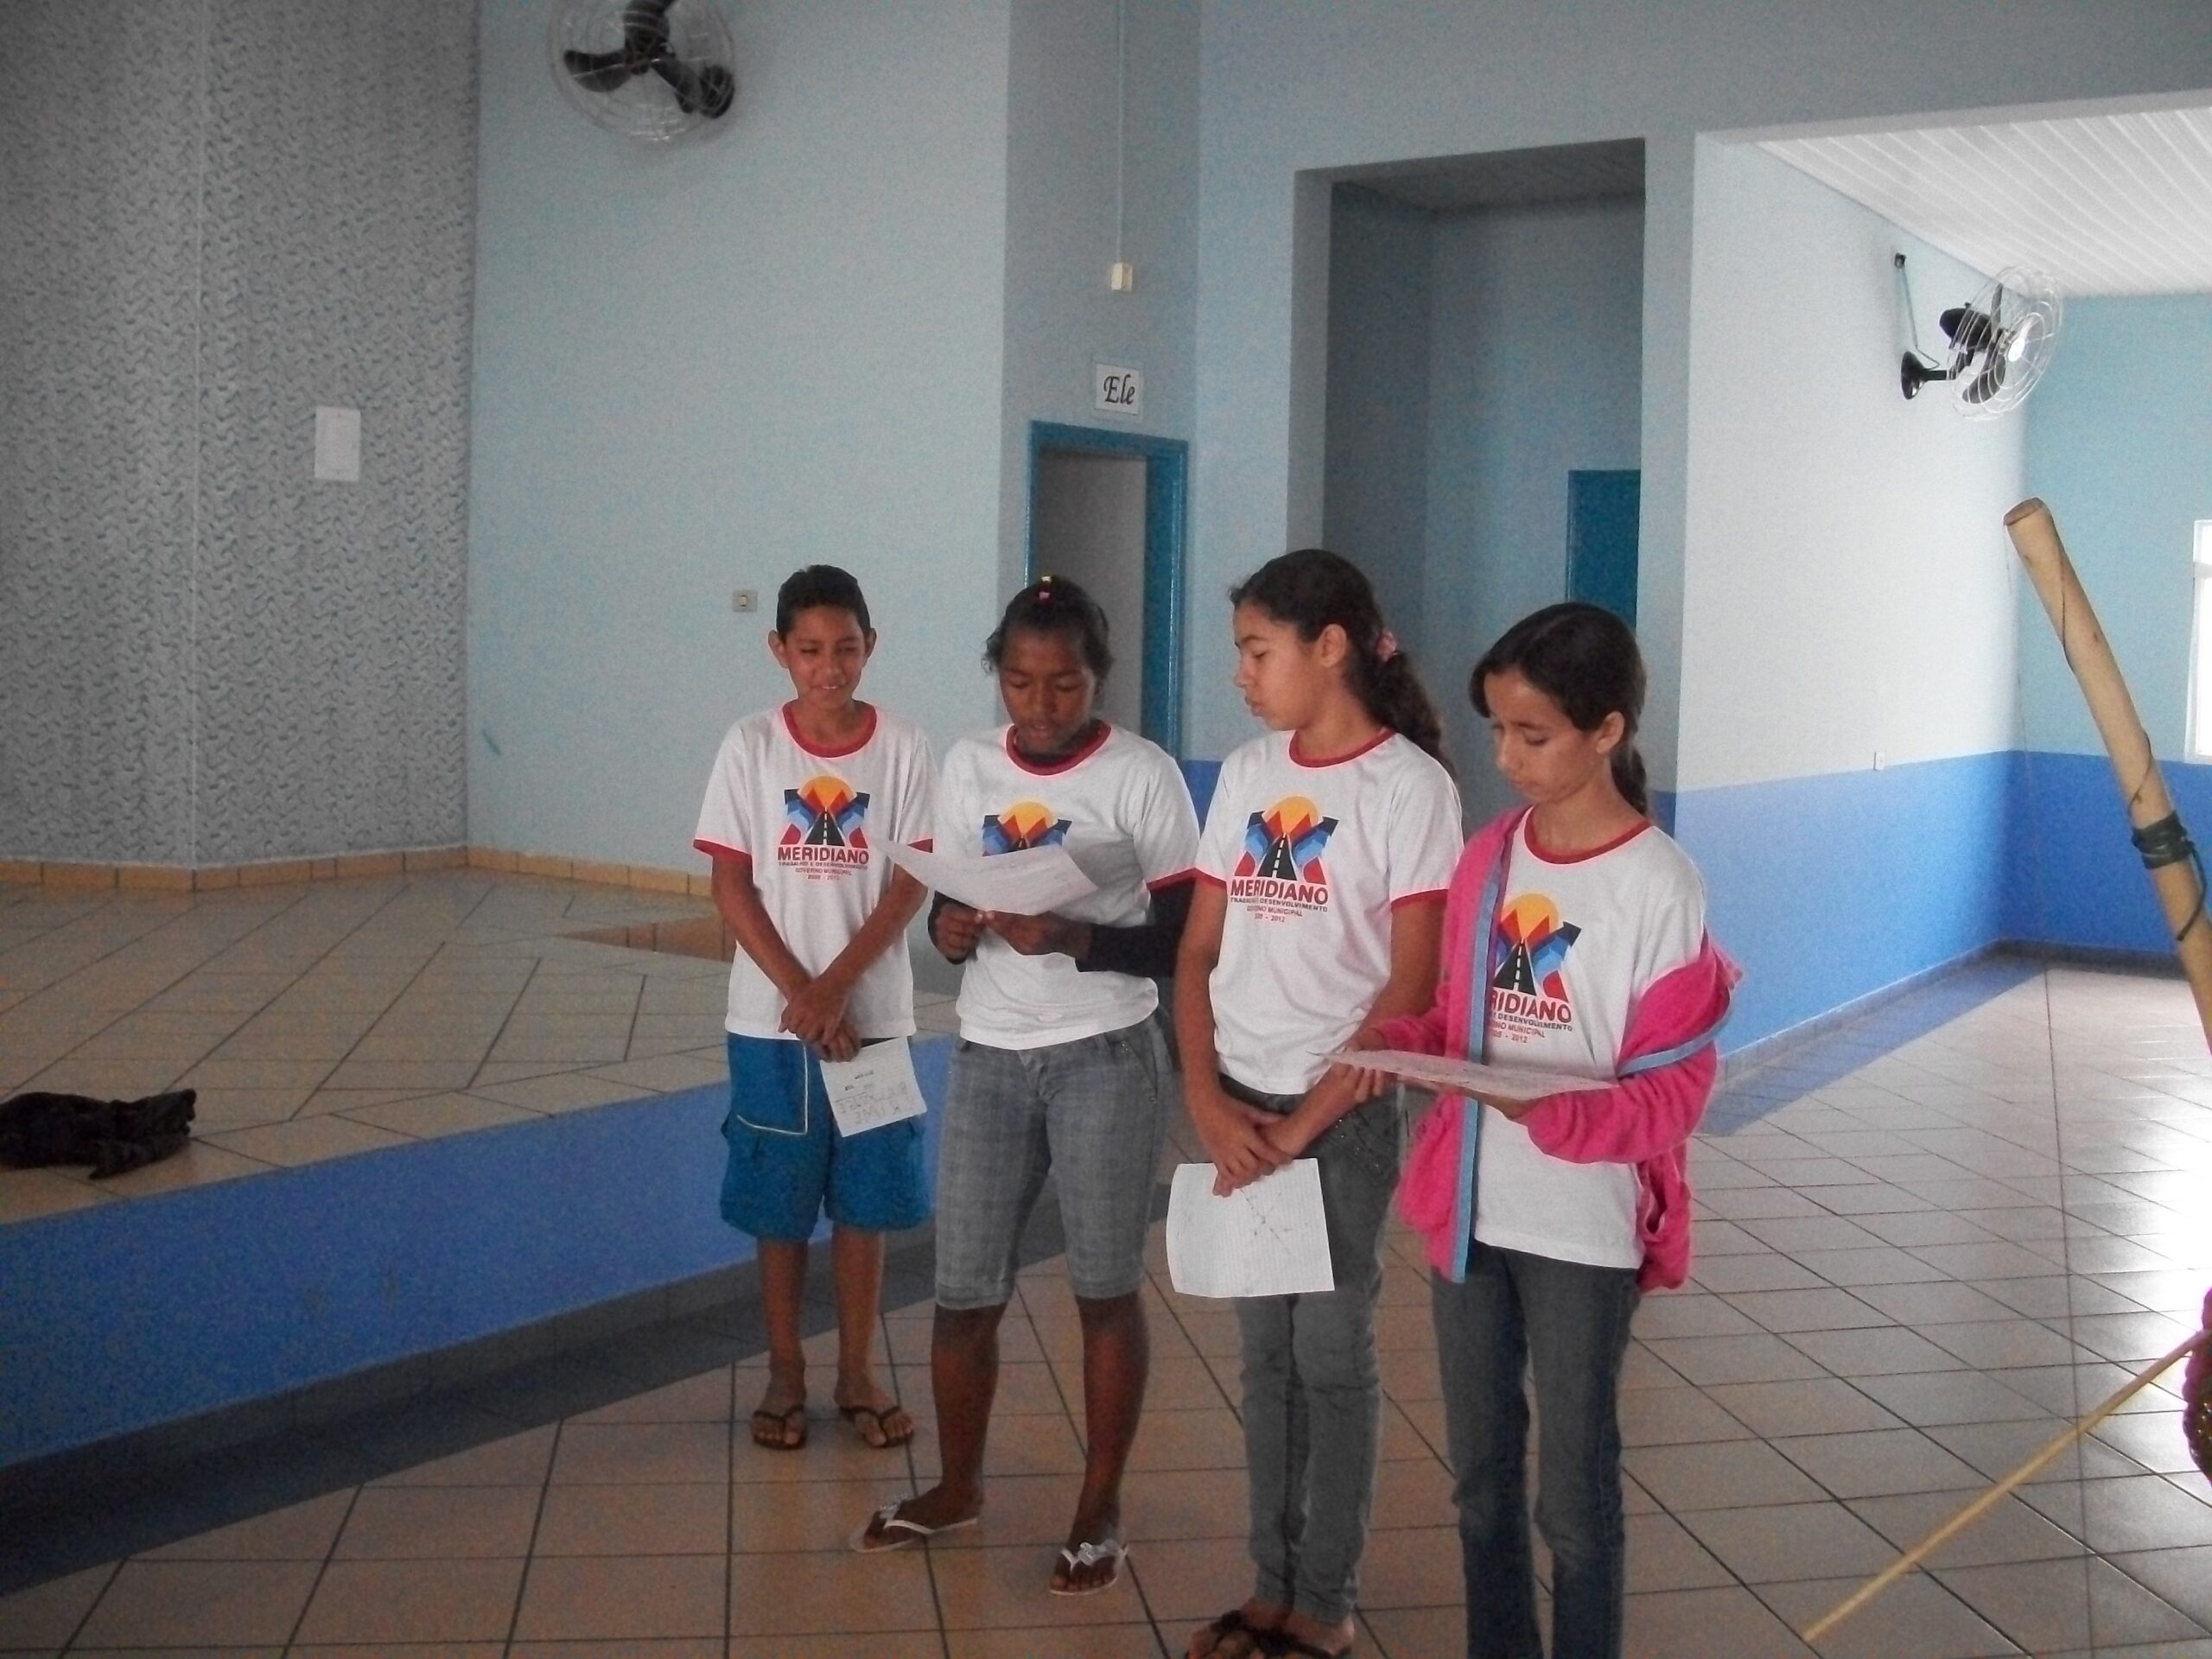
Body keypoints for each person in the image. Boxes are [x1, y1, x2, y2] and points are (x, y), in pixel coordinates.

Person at [1351, 601, 1737, 1659]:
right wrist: (1397, 1041)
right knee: (1479, 1485)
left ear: (1606, 731)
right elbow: (1460, 1022)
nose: (1506, 759)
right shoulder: (1490, 857)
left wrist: (1560, 1112)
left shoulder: (1659, 883)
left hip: (1584, 1229)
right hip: (1474, 1211)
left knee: (1573, 1500)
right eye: (1497, 731)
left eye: (1533, 735)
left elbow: (1675, 1091)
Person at [853, 575, 1199, 1598]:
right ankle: (957, 1485)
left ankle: (1099, 1509)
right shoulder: (968, 764)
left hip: (1105, 1054)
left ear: (1099, 678)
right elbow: (947, 910)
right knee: (963, 1291)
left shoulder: (1142, 776)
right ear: (997, 677)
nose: (1040, 706)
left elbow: (1187, 938)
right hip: (990, 1054)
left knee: (1103, 1289)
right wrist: (952, 928)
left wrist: (1079, 937)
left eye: (1064, 685)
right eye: (1018, 683)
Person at [1177, 549, 1463, 1659]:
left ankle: (1323, 1603)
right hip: (1241, 1112)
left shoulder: (1408, 788)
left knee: (1330, 1360)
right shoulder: (1250, 774)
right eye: (1240, 653)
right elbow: (1197, 951)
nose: (1241, 675)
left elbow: (1409, 992)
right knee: (1264, 1364)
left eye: (1258, 651)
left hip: (1338, 1122)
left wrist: (1297, 1130)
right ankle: (1269, 1585)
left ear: (1329, 646)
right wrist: (1207, 1101)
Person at [693, 564, 937, 1453]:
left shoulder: (904, 746)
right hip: (772, 1027)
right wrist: (803, 993)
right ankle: (786, 1371)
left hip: (873, 1020)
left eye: (846, 648)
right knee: (780, 1204)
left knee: (866, 1204)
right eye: (809, 650)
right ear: (779, 651)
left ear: (872, 646)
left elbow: (909, 882)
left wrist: (837, 990)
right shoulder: (750, 746)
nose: (829, 667)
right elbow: (730, 884)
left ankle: (857, 1371)